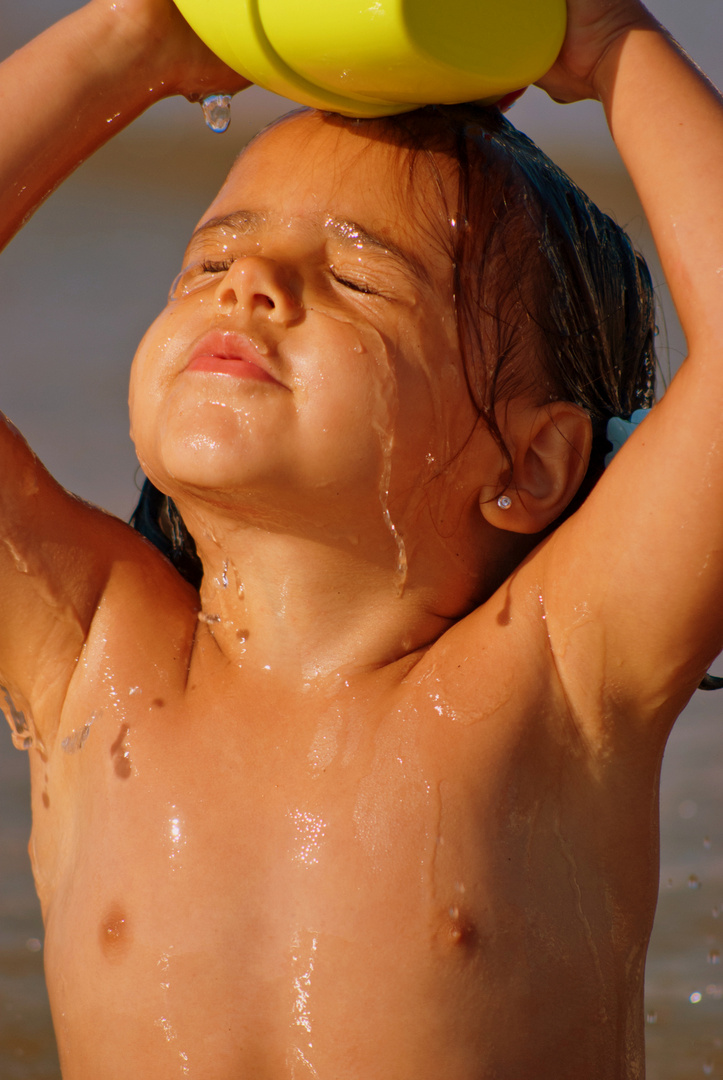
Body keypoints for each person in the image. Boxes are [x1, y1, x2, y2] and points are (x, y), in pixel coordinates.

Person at [0, 0, 721, 1075]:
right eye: (207, 265)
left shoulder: (559, 676)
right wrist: (125, 42)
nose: (250, 286)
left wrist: (618, 48)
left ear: (530, 466)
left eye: (355, 277)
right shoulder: (90, 654)